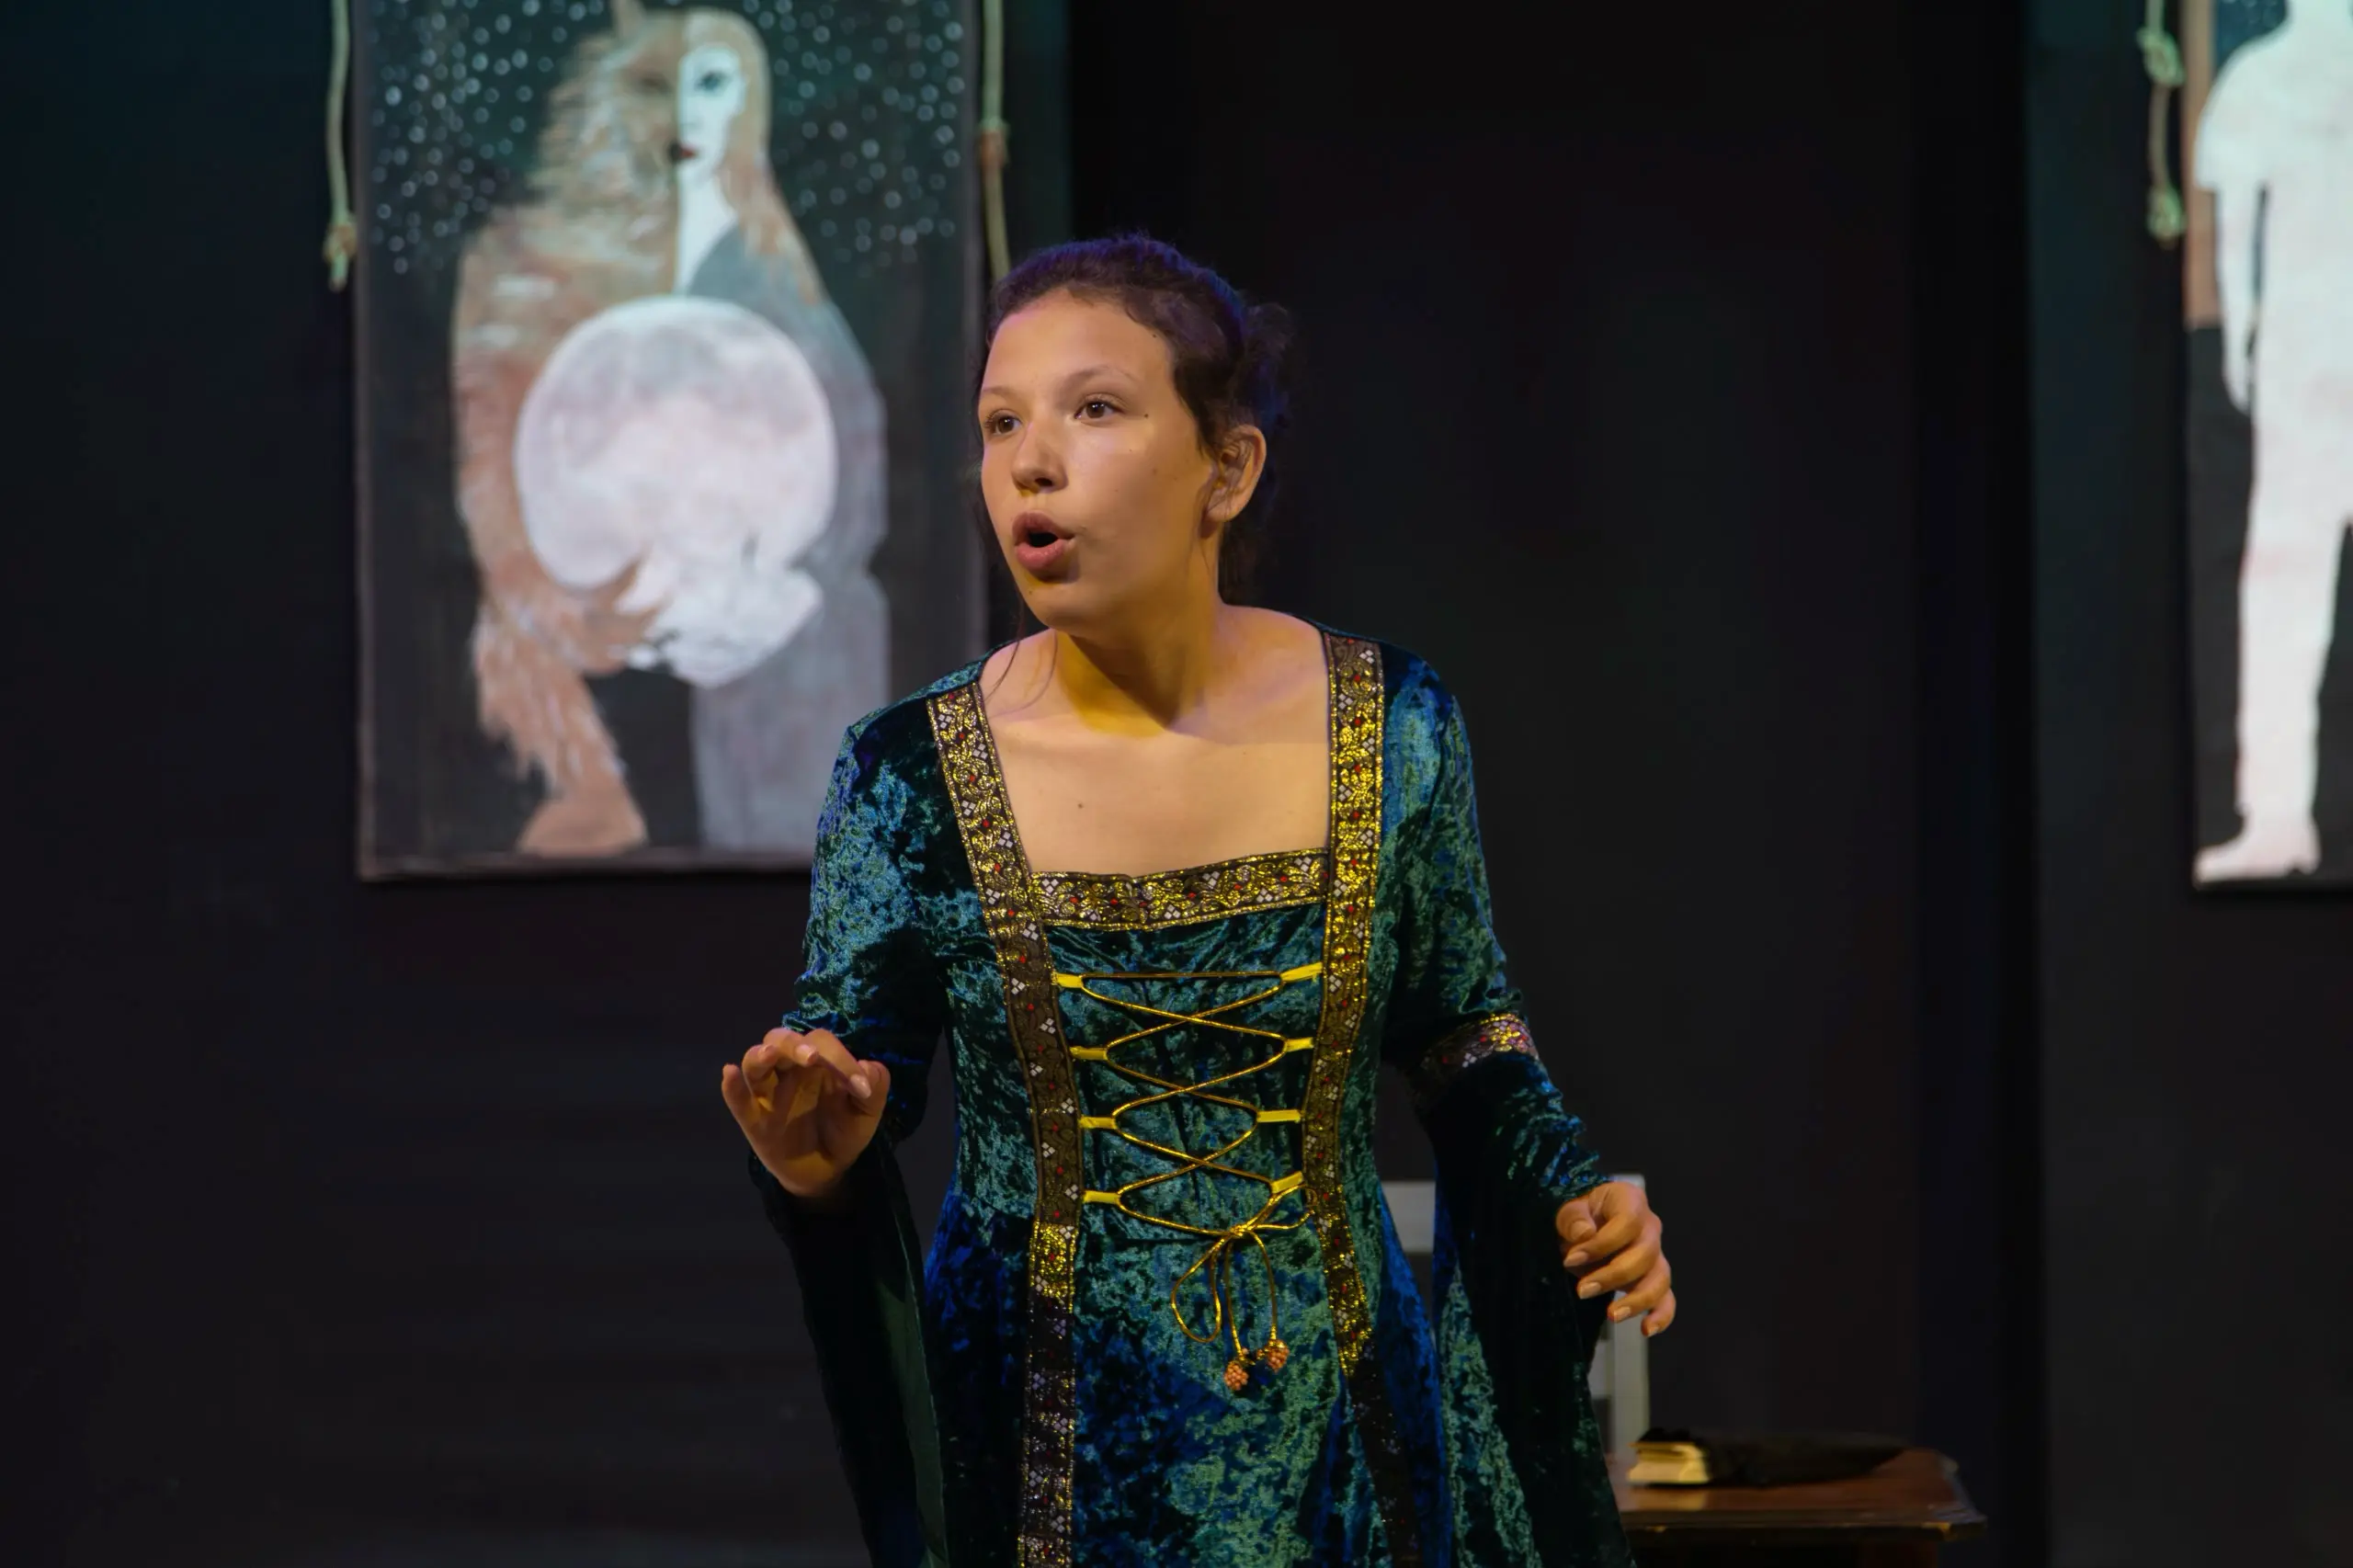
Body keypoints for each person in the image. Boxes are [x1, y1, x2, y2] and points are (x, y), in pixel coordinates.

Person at [720, 235, 1674, 1566]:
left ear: (1227, 468)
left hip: (1344, 1447)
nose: (1030, 462)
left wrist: (1568, 1188)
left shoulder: (1394, 724)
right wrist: (813, 1154)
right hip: (1039, 1459)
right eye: (1001, 423)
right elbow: (849, 1068)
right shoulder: (907, 771)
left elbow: (1465, 1042)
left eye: (1094, 408)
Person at [2192, 0, 2353, 883]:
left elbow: (2237, 235)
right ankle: (2278, 817)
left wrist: (2243, 336)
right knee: (2282, 584)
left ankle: (2280, 818)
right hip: (2301, 364)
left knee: (2284, 584)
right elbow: (2237, 229)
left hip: (2300, 357)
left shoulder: (2261, 77)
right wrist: (2245, 335)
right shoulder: (2259, 79)